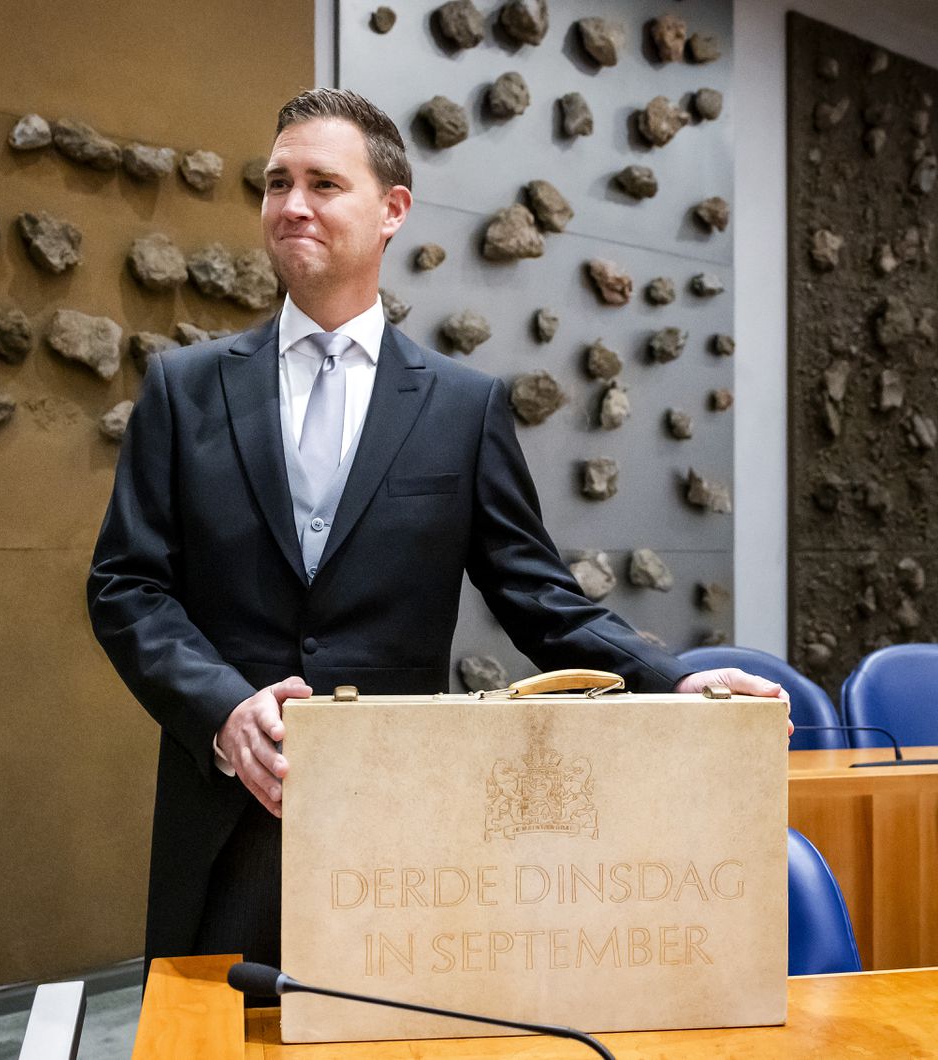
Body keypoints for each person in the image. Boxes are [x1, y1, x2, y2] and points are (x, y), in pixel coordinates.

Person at [87, 88, 787, 981]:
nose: (292, 205)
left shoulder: (463, 409)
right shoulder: (183, 389)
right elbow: (127, 585)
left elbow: (539, 598)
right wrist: (222, 709)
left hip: (400, 829)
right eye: (277, 183)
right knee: (209, 1036)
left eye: (323, 184)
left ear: (392, 210)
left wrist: (673, 679)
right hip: (224, 814)